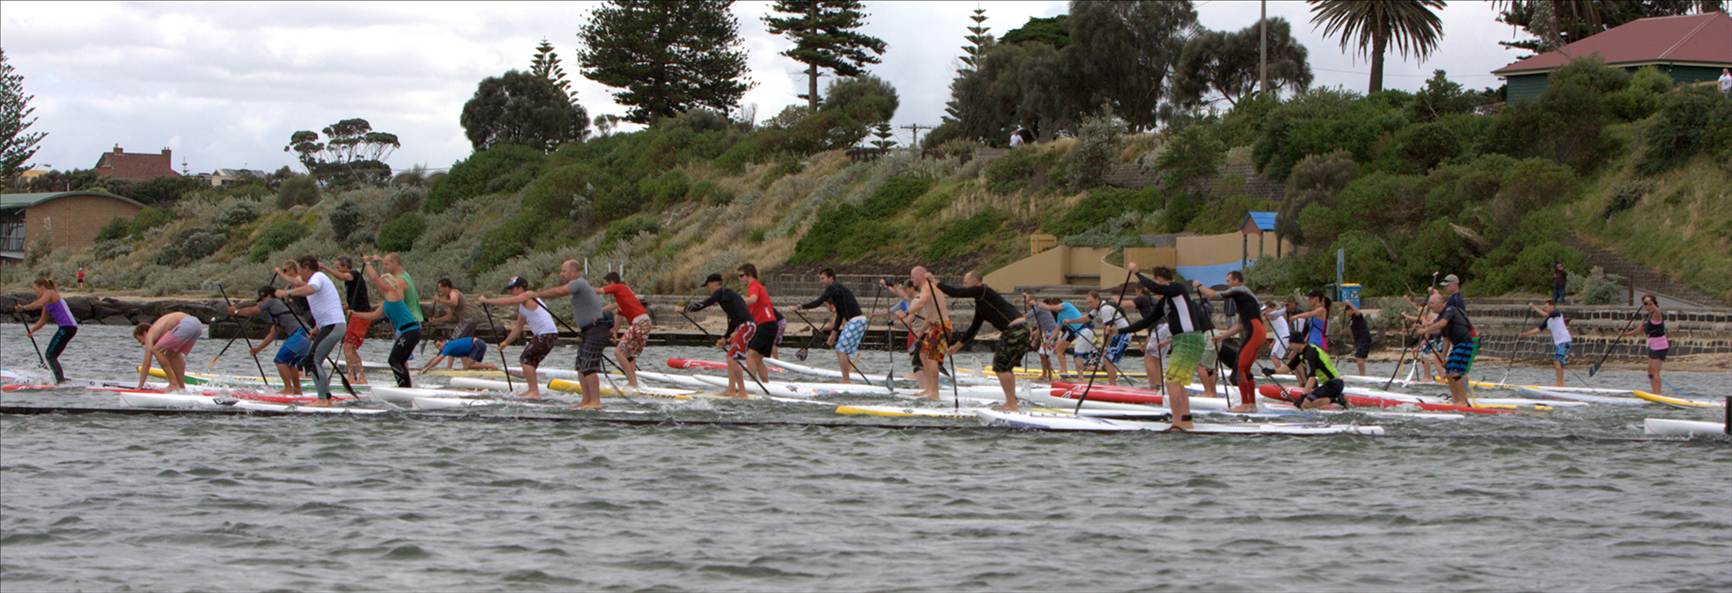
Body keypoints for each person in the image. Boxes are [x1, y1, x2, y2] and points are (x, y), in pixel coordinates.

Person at [1130, 264, 1212, 431]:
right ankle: (1186, 421)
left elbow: (1154, 287)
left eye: (1156, 281)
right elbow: (1147, 321)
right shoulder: (1167, 301)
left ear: (1160, 278)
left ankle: (1177, 423)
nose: (1155, 287)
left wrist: (1137, 272)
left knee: (1172, 381)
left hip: (1188, 339)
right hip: (1183, 340)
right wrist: (1120, 330)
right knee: (1178, 381)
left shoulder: (1177, 288)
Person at [937, 271, 1030, 409]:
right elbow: (973, 330)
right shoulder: (981, 305)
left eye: (966, 282)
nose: (964, 285)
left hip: (1015, 330)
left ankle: (1011, 403)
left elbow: (956, 292)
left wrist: (935, 282)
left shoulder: (983, 290)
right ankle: (1012, 402)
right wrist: (956, 347)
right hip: (1020, 330)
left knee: (1000, 367)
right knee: (1005, 367)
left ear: (976, 281)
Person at [275, 255, 346, 404]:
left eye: (300, 270)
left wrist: (287, 293)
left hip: (333, 326)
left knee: (312, 362)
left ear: (306, 268)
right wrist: (316, 328)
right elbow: (322, 304)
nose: (299, 274)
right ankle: (326, 398)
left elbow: (311, 289)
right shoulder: (315, 278)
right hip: (328, 325)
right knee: (314, 361)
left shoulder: (318, 277)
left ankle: (323, 399)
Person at [478, 276, 560, 401]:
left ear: (520, 288)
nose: (511, 292)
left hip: (546, 334)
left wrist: (488, 301)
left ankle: (534, 392)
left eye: (513, 289)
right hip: (544, 335)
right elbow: (518, 327)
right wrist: (505, 342)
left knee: (525, 359)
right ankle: (532, 390)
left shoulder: (528, 295)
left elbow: (510, 301)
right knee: (529, 361)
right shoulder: (523, 307)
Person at [1196, 271, 1265, 413]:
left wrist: (1199, 286)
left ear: (1237, 281)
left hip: (1255, 331)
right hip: (1257, 331)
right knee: (1245, 369)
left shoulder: (1239, 290)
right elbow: (1239, 325)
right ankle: (1251, 404)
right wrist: (1222, 336)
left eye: (1229, 281)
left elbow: (1213, 295)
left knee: (1240, 368)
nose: (1227, 284)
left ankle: (1246, 404)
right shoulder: (1243, 299)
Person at [350, 255, 421, 388]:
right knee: (399, 360)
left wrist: (367, 263)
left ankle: (404, 388)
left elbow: (375, 279)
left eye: (383, 284)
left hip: (410, 331)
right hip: (410, 331)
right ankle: (407, 387)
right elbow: (373, 315)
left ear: (387, 283)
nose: (379, 287)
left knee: (393, 360)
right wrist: (355, 314)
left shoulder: (392, 292)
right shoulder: (387, 302)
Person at [230, 286, 309, 395]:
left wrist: (236, 312)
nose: (261, 303)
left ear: (267, 296)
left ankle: (288, 389)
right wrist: (258, 349)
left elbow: (254, 311)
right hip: (308, 335)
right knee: (290, 364)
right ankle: (297, 390)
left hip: (300, 333)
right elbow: (272, 334)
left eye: (262, 300)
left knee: (280, 360)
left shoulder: (272, 301)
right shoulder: (281, 308)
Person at [686, 273, 754, 398]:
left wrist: (685, 308)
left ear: (714, 283)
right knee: (731, 357)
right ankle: (731, 389)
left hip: (746, 327)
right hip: (743, 327)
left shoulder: (721, 292)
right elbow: (733, 320)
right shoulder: (727, 297)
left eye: (708, 285)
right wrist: (725, 338)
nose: (708, 288)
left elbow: (706, 303)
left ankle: (742, 393)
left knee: (732, 358)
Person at [799, 268, 867, 384]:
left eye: (823, 278)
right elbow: (840, 313)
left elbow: (818, 302)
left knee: (840, 350)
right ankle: (847, 380)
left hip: (856, 321)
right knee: (843, 351)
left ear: (831, 278)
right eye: (820, 279)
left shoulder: (833, 287)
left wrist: (800, 306)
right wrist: (834, 333)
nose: (821, 281)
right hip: (857, 322)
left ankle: (846, 381)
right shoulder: (837, 291)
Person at [1412, 293, 1476, 406]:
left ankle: (1462, 401)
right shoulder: (1441, 317)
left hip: (1465, 343)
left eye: (1432, 303)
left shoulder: (1449, 310)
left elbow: (1442, 323)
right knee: (1448, 373)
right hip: (1457, 345)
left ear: (1441, 303)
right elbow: (1446, 338)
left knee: (1456, 372)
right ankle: (1456, 400)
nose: (1429, 306)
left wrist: (1425, 330)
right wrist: (1443, 355)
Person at [15, 278, 77, 383]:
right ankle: (59, 377)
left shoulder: (50, 293)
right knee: (52, 355)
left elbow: (39, 303)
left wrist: (23, 308)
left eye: (36, 289)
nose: (35, 292)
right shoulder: (47, 304)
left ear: (42, 287)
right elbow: (42, 321)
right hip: (68, 328)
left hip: (67, 327)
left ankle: (60, 381)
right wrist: (32, 330)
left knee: (50, 355)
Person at [599, 271, 651, 389]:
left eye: (606, 284)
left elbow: (610, 304)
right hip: (645, 323)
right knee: (629, 354)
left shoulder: (620, 288)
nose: (607, 287)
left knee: (619, 352)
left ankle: (632, 382)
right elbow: (619, 314)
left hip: (640, 322)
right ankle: (634, 382)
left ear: (612, 283)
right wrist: (614, 332)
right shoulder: (623, 296)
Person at [908, 266, 952, 400]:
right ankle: (929, 388)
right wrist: (921, 332)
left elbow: (921, 303)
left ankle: (935, 392)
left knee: (931, 358)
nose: (911, 280)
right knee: (922, 354)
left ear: (921, 275)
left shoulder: (927, 286)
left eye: (913, 276)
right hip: (935, 326)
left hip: (941, 326)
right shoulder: (928, 288)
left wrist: (907, 312)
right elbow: (931, 314)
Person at [327, 256, 372, 385]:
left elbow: (343, 277)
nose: (338, 271)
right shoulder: (350, 283)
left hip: (361, 315)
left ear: (346, 267)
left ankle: (355, 376)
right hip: (356, 315)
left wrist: (325, 268)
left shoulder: (354, 275)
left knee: (348, 346)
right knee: (350, 347)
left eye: (339, 268)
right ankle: (356, 376)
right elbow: (351, 301)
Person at [133, 312, 204, 391]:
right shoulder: (161, 330)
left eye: (140, 340)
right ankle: (181, 387)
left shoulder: (150, 333)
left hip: (187, 324)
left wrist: (139, 386)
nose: (142, 344)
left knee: (156, 350)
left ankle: (173, 384)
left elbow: (146, 363)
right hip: (198, 325)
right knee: (172, 354)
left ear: (144, 333)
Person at [736, 264, 780, 386]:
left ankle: (751, 384)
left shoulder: (754, 285)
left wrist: (737, 300)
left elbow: (753, 299)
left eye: (741, 276)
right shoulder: (757, 286)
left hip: (766, 325)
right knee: (757, 358)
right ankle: (766, 384)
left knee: (750, 355)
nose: (740, 279)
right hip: (769, 325)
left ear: (749, 275)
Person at [1621, 294, 1668, 395]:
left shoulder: (1657, 314)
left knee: (1655, 372)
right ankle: (1654, 392)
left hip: (1660, 345)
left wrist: (1650, 302)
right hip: (1652, 345)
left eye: (1649, 304)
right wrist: (1626, 334)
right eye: (1645, 304)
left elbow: (1657, 311)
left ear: (1654, 304)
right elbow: (1639, 329)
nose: (1647, 306)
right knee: (1650, 372)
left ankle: (1658, 394)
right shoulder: (1646, 317)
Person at [1519, 300, 1572, 388]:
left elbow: (1545, 314)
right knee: (1559, 362)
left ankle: (1559, 384)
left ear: (1552, 306)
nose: (1545, 309)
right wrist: (1524, 334)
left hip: (1564, 341)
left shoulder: (1557, 313)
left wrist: (1533, 306)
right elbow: (1538, 329)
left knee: (1557, 361)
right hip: (1560, 343)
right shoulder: (1548, 321)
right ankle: (1560, 384)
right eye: (1545, 307)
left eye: (1547, 307)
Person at [1084, 289, 1132, 385]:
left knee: (1108, 359)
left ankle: (1113, 385)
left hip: (1123, 335)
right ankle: (1111, 381)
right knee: (1107, 360)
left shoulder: (1104, 309)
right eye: (1088, 303)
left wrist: (1104, 347)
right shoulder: (1098, 308)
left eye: (1091, 302)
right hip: (1117, 335)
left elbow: (1108, 330)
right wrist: (1070, 321)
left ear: (1097, 299)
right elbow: (1086, 318)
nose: (1089, 305)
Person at [1284, 342, 1347, 411]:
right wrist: (1272, 371)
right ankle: (1335, 399)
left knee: (1305, 404)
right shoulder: (1302, 354)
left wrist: (1302, 397)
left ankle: (1336, 399)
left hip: (1333, 383)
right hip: (1329, 384)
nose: (1289, 346)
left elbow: (1312, 378)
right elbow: (1288, 367)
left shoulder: (1310, 353)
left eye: (1290, 343)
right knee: (1306, 403)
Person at [1023, 293, 1059, 382]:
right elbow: (1041, 325)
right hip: (1047, 333)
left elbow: (1025, 317)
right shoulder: (1037, 308)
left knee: (1044, 355)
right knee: (1042, 354)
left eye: (1027, 303)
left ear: (1032, 302)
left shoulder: (1038, 307)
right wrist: (1034, 336)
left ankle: (1050, 375)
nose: (1027, 305)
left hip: (1052, 333)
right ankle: (1045, 373)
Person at [420, 336, 498, 373]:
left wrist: (428, 369)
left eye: (439, 345)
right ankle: (487, 368)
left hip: (477, 345)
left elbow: (439, 359)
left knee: (468, 366)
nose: (439, 348)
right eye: (437, 347)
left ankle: (490, 366)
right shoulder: (446, 347)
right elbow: (434, 359)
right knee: (467, 368)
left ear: (444, 341)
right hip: (475, 346)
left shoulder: (448, 346)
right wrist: (424, 367)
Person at [1344, 300, 1372, 377]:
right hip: (1358, 340)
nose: (1346, 313)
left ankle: (1362, 375)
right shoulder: (1351, 320)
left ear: (1351, 310)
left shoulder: (1358, 316)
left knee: (1360, 357)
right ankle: (1362, 374)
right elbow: (1351, 330)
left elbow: (1357, 311)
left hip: (1364, 338)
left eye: (1347, 311)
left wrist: (1349, 303)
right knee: (1358, 357)